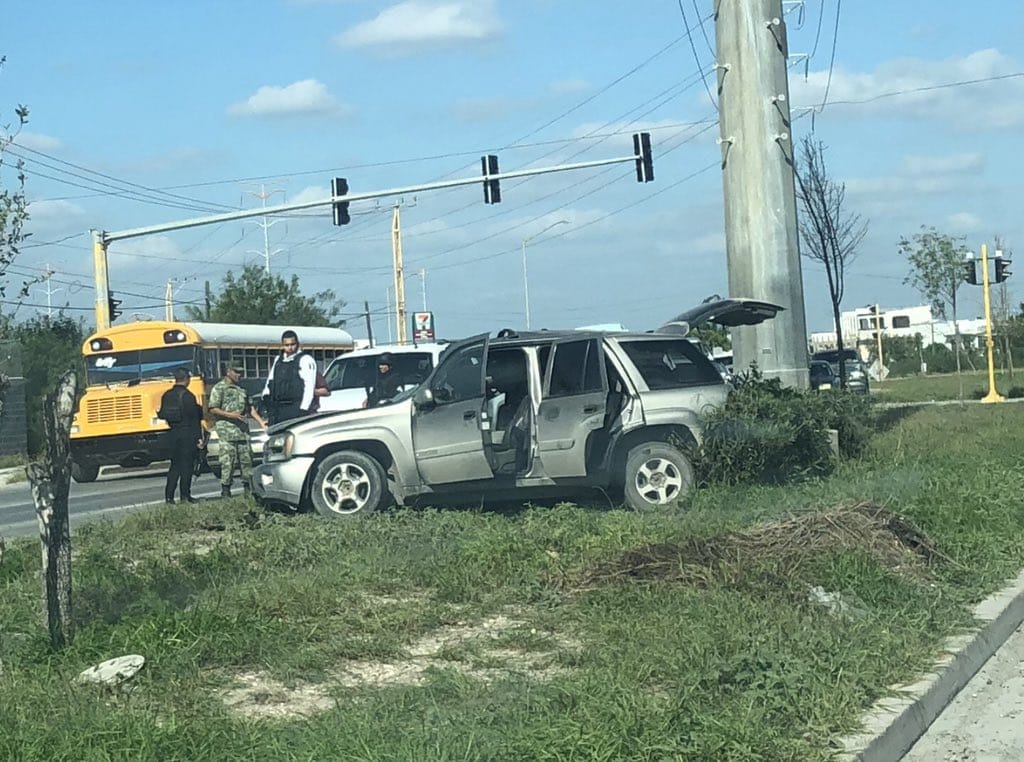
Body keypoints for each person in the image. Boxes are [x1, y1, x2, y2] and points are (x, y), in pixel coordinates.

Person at [208, 363, 264, 498]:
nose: (239, 375)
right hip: (227, 432)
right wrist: (230, 415)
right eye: (236, 372)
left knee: (247, 461)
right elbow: (213, 408)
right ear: (228, 372)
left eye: (241, 372)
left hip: (242, 432)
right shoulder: (219, 388)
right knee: (228, 462)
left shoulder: (242, 389)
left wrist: (261, 422)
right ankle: (226, 490)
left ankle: (248, 489)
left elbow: (250, 409)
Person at [157, 367, 203, 504]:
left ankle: (169, 497)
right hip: (187, 434)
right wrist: (198, 438)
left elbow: (163, 414)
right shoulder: (188, 396)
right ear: (186, 379)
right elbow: (194, 418)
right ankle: (185, 496)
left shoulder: (167, 395)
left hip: (172, 434)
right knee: (187, 466)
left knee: (174, 466)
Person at [261, 330, 318, 425]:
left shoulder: (305, 360)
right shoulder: (278, 360)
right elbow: (270, 381)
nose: (290, 347)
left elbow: (309, 387)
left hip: (296, 408)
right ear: (282, 345)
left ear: (298, 344)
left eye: (292, 344)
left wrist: (303, 409)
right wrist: (266, 398)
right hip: (277, 410)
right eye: (286, 345)